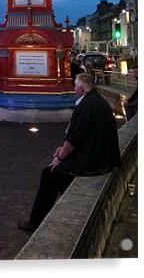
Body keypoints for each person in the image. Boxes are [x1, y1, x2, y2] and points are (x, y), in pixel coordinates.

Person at [18, 72, 121, 233]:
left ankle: (35, 221)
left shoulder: (85, 107)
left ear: (81, 88)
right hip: (104, 158)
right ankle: (66, 214)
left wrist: (60, 156)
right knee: (61, 176)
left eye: (75, 86)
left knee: (49, 173)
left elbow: (74, 140)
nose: (74, 89)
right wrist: (63, 151)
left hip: (93, 163)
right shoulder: (97, 102)